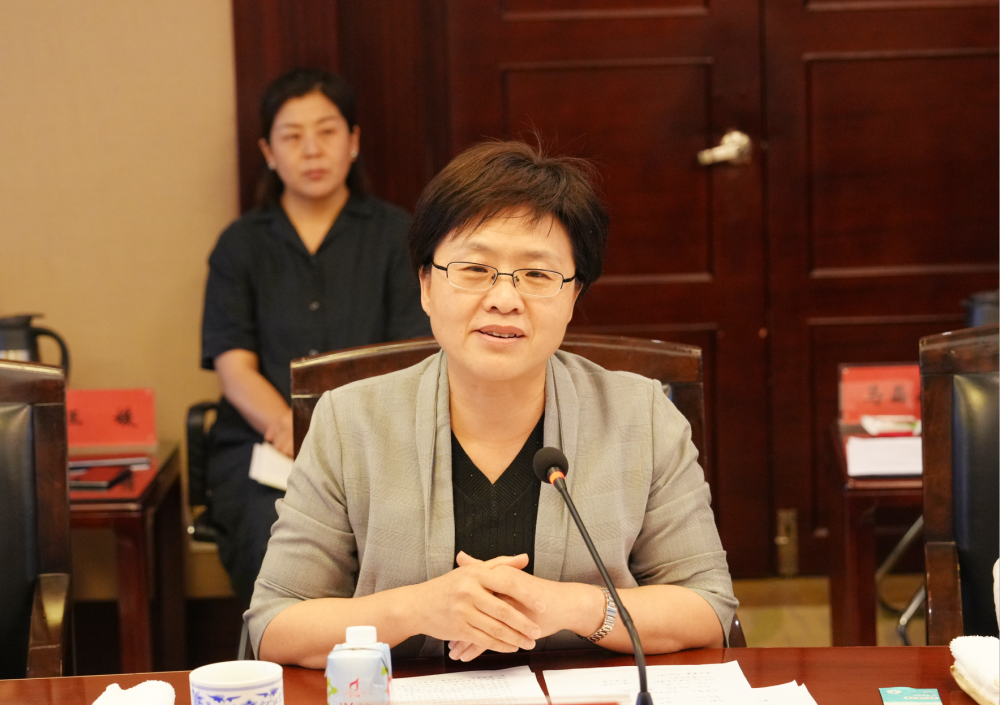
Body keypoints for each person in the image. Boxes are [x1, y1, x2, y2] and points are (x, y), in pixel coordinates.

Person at [246, 140, 737, 667]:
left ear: (574, 296)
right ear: (426, 286)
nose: (504, 299)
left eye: (537, 275)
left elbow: (709, 609)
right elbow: (275, 626)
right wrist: (418, 609)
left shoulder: (641, 416)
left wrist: (568, 606)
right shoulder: (349, 423)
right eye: (475, 269)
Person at [200, 68, 430, 606]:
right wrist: (291, 426)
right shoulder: (240, 245)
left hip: (380, 440)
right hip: (266, 442)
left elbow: (411, 357)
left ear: (353, 141)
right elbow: (234, 368)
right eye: (292, 136)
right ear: (268, 151)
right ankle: (284, 649)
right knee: (270, 535)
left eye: (327, 131)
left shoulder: (398, 235)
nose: (311, 150)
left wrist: (338, 434)